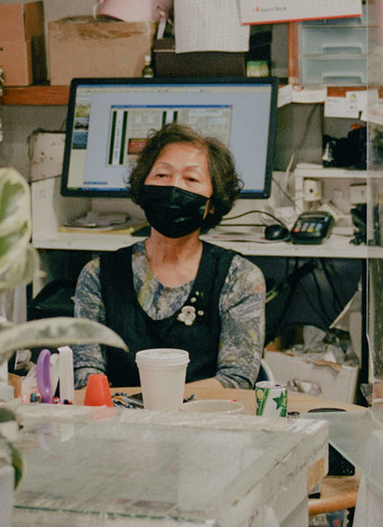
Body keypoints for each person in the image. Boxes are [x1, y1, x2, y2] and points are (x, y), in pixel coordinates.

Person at [74, 121, 265, 391]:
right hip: (118, 422)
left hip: (206, 424)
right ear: (143, 185)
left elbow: (236, 380)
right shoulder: (98, 275)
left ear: (211, 203)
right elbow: (87, 376)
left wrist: (160, 403)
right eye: (162, 176)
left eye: (191, 179)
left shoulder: (240, 278)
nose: (174, 188)